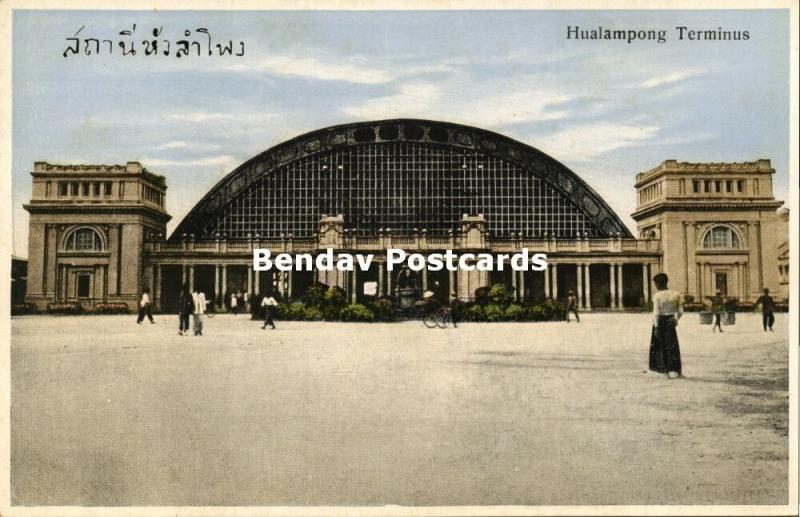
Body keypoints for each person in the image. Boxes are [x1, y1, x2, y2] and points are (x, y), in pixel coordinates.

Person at [649, 273, 683, 379]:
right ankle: (676, 371)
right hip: (671, 320)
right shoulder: (676, 294)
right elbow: (681, 311)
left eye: (656, 283)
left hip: (661, 322)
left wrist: (656, 327)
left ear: (659, 283)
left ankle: (664, 371)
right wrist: (676, 319)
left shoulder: (657, 296)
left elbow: (656, 312)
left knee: (660, 346)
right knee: (673, 346)